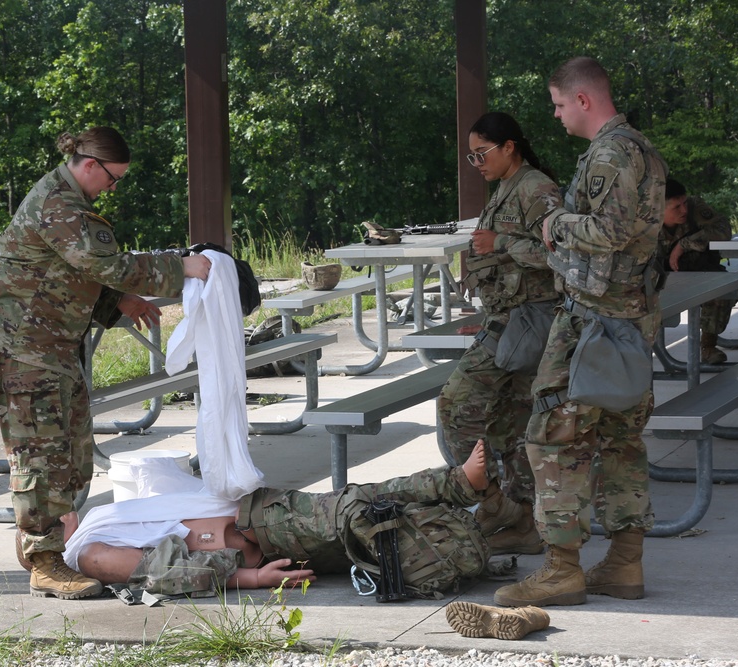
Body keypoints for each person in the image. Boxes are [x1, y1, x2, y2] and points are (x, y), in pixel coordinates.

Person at [0, 126, 212, 600]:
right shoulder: (59, 205)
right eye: (113, 178)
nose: (113, 187)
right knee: (42, 455)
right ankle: (44, 562)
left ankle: (43, 545)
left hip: (49, 344)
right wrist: (178, 266)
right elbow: (103, 263)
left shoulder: (69, 200)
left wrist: (116, 302)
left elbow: (67, 273)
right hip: (24, 347)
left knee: (72, 452)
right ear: (90, 165)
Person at [492, 57, 667, 608]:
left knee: (552, 439)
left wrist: (552, 225)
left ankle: (562, 568)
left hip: (592, 323)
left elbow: (608, 231)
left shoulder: (611, 153)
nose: (558, 114)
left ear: (584, 100)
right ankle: (624, 564)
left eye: (560, 104)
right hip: (629, 320)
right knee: (620, 439)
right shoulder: (640, 148)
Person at [63, 442, 514, 604]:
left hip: (260, 517)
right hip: (260, 535)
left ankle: (478, 505)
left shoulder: (96, 522)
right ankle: (458, 485)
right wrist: (251, 579)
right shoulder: (90, 552)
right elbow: (167, 573)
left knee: (378, 526)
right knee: (354, 509)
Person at [437, 112, 561, 555]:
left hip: (526, 322)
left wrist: (502, 245)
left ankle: (491, 503)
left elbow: (563, 254)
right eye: (471, 157)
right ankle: (520, 518)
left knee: (454, 403)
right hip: (505, 320)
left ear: (510, 146)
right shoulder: (508, 188)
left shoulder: (536, 189)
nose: (477, 163)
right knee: (510, 425)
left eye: (482, 153)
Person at [660, 178, 737, 364]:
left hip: (700, 272)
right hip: (660, 279)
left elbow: (723, 230)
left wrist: (684, 244)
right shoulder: (641, 219)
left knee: (721, 289)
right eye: (676, 207)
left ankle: (708, 346)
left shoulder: (694, 208)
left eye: (684, 203)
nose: (684, 210)